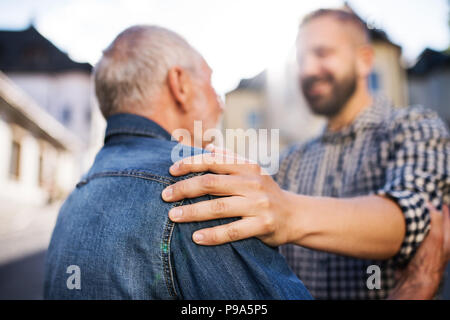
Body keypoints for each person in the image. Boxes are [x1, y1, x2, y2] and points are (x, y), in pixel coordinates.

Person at [161, 9, 450, 299]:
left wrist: (287, 212)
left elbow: (420, 221)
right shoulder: (291, 161)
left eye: (322, 53)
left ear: (364, 61)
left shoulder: (414, 127)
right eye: (301, 60)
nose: (308, 70)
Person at [43, 25, 312, 300]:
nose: (221, 105)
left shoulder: (73, 200)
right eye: (211, 83)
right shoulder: (200, 185)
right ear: (180, 84)